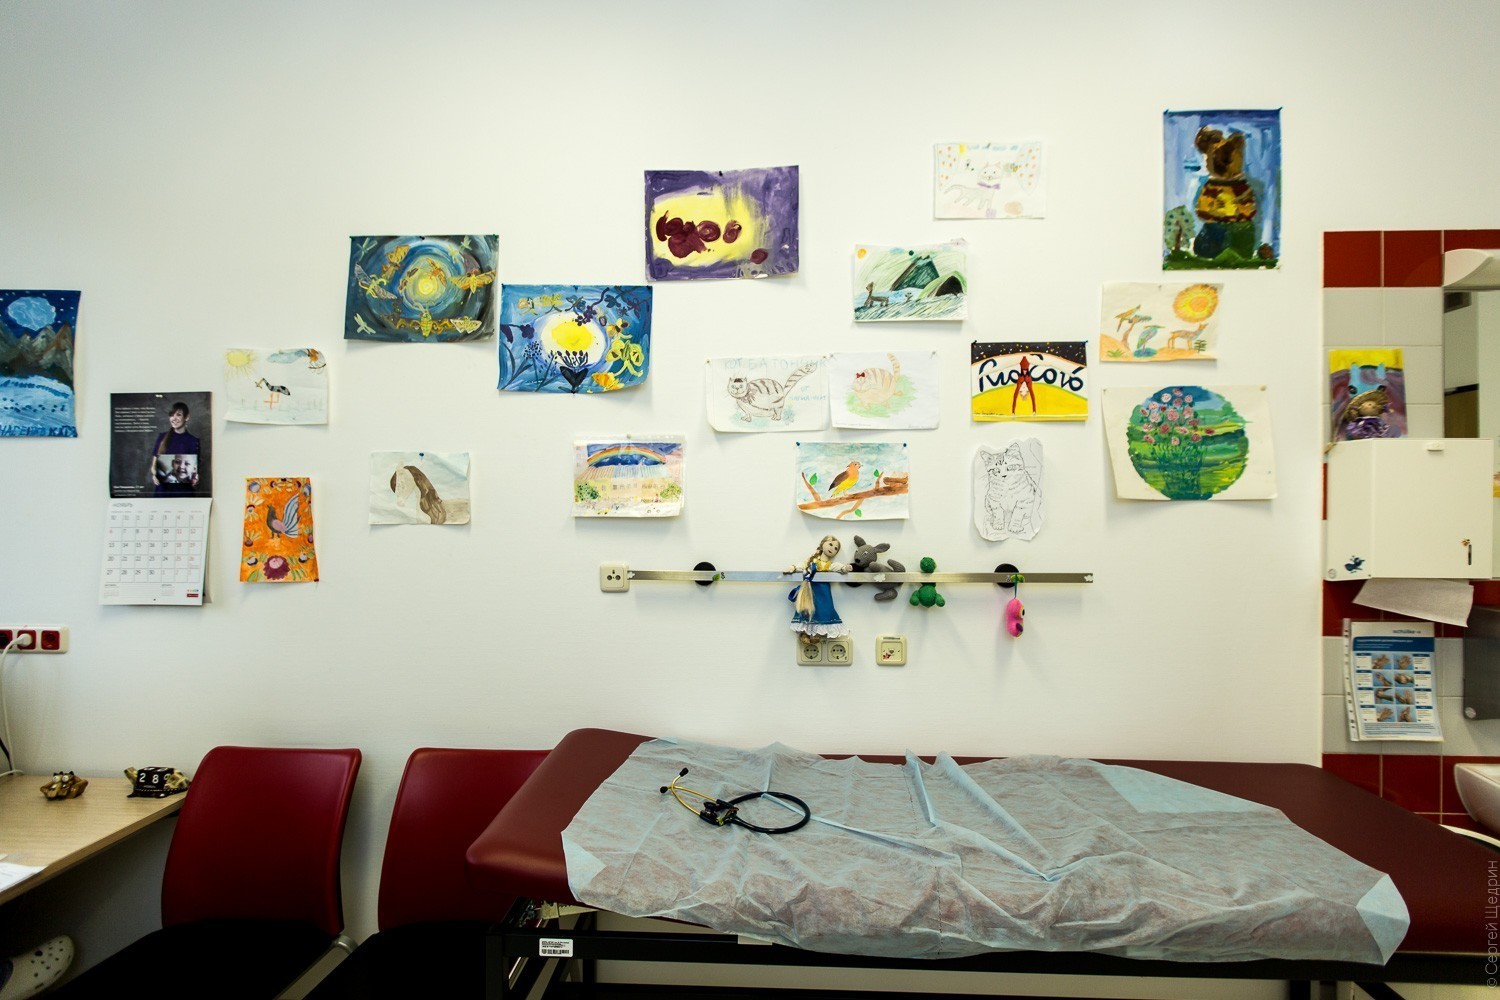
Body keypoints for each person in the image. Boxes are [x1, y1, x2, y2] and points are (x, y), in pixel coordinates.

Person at [788, 534, 850, 644]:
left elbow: (837, 567)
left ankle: (816, 633)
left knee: (824, 610)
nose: (832, 548)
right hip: (808, 592)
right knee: (807, 610)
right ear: (822, 545)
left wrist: (844, 568)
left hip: (823, 593)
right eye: (830, 544)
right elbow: (802, 566)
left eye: (836, 548)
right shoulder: (811, 562)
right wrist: (793, 567)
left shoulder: (828, 565)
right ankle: (806, 634)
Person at [150, 402, 200, 496]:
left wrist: (196, 478)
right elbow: (153, 466)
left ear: (187, 417)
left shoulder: (193, 441)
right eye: (171, 415)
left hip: (184, 493)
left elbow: (195, 469)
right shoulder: (162, 438)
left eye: (178, 415)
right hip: (163, 492)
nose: (174, 418)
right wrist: (154, 474)